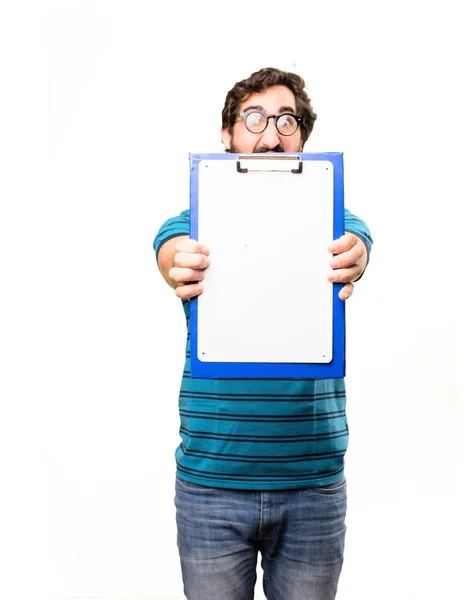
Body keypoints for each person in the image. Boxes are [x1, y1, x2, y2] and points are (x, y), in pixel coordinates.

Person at [153, 67, 373, 600]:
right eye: (254, 118)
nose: (271, 135)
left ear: (303, 138)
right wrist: (177, 264)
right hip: (212, 484)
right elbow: (170, 252)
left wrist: (359, 254)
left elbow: (356, 242)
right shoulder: (190, 225)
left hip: (312, 485)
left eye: (286, 121)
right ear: (226, 135)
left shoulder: (336, 223)